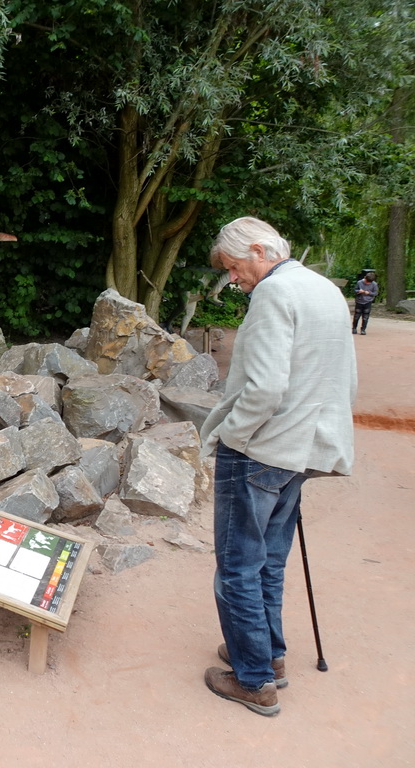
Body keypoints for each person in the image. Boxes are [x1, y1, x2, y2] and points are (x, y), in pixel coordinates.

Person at [199, 217, 357, 717]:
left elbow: (264, 388)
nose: (234, 280)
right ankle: (269, 655)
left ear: (259, 249)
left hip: (261, 450)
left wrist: (234, 436)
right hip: (304, 448)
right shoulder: (324, 289)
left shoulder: (273, 294)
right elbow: (343, 377)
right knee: (268, 558)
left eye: (233, 268)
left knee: (237, 567)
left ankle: (253, 679)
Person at [352, 270, 379, 335]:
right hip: (359, 301)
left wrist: (369, 293)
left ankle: (363, 329)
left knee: (365, 317)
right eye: (366, 282)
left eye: (369, 283)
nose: (367, 283)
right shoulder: (359, 282)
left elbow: (376, 293)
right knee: (356, 316)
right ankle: (354, 328)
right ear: (365, 278)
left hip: (368, 302)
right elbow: (355, 290)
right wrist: (358, 291)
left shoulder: (374, 284)